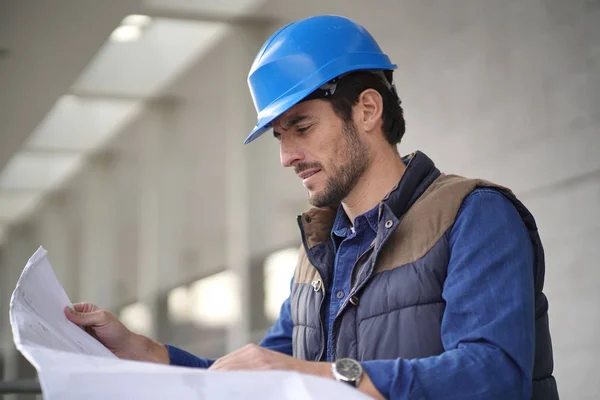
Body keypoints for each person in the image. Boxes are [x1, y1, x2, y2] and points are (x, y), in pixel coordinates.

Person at [65, 15, 559, 400]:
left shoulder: (473, 215)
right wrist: (146, 353)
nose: (286, 157)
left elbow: (494, 378)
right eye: (279, 137)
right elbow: (260, 374)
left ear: (367, 109)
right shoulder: (321, 252)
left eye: (301, 128)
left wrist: (319, 375)